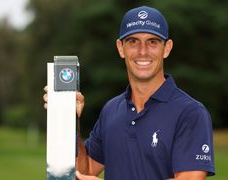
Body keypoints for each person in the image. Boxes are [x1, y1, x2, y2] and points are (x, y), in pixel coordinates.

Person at [44, 6, 215, 180]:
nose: (142, 51)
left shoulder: (191, 113)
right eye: (133, 41)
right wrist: (69, 119)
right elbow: (85, 171)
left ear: (167, 48)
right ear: (120, 48)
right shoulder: (111, 110)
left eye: (152, 42)